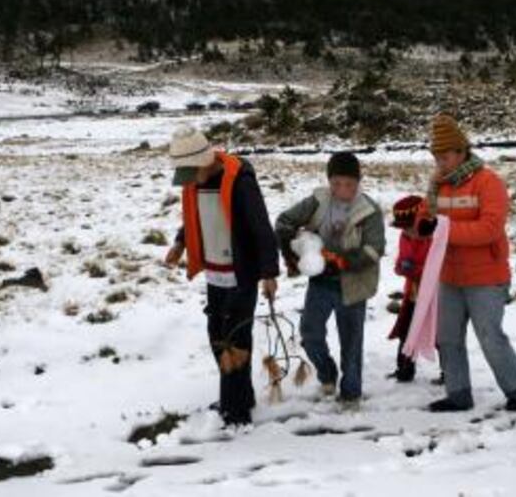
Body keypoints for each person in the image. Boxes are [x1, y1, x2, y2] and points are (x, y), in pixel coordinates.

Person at [164, 125, 280, 427]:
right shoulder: (195, 183)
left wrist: (269, 273)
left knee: (235, 340)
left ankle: (235, 411)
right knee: (217, 335)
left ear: (203, 161)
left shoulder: (240, 182)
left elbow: (261, 228)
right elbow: (193, 218)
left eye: (190, 172)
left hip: (241, 274)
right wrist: (180, 243)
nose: (187, 181)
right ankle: (241, 396)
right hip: (215, 274)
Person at [417, 114, 516, 413]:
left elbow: (489, 229)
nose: (439, 161)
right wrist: (415, 224)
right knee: (448, 338)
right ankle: (458, 393)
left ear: (460, 151)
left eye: (444, 155)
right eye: (436, 156)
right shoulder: (437, 186)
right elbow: (425, 220)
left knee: (490, 336)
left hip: (486, 277)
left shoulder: (488, 182)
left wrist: (443, 230)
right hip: (449, 275)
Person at [276, 152, 385, 405]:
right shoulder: (318, 201)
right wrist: (295, 247)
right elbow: (284, 221)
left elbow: (374, 249)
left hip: (353, 285)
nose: (342, 189)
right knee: (310, 333)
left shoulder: (368, 210)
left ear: (358, 182)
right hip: (321, 282)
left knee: (351, 343)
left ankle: (351, 394)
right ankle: (327, 373)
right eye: (336, 183)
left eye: (349, 184)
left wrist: (342, 261)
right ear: (329, 181)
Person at [387, 195, 433, 382]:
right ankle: (404, 370)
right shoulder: (405, 237)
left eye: (408, 225)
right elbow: (400, 260)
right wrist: (400, 267)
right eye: (402, 227)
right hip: (413, 293)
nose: (406, 230)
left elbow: (437, 266)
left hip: (433, 296)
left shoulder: (433, 237)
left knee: (438, 336)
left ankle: (450, 373)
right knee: (406, 332)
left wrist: (416, 269)